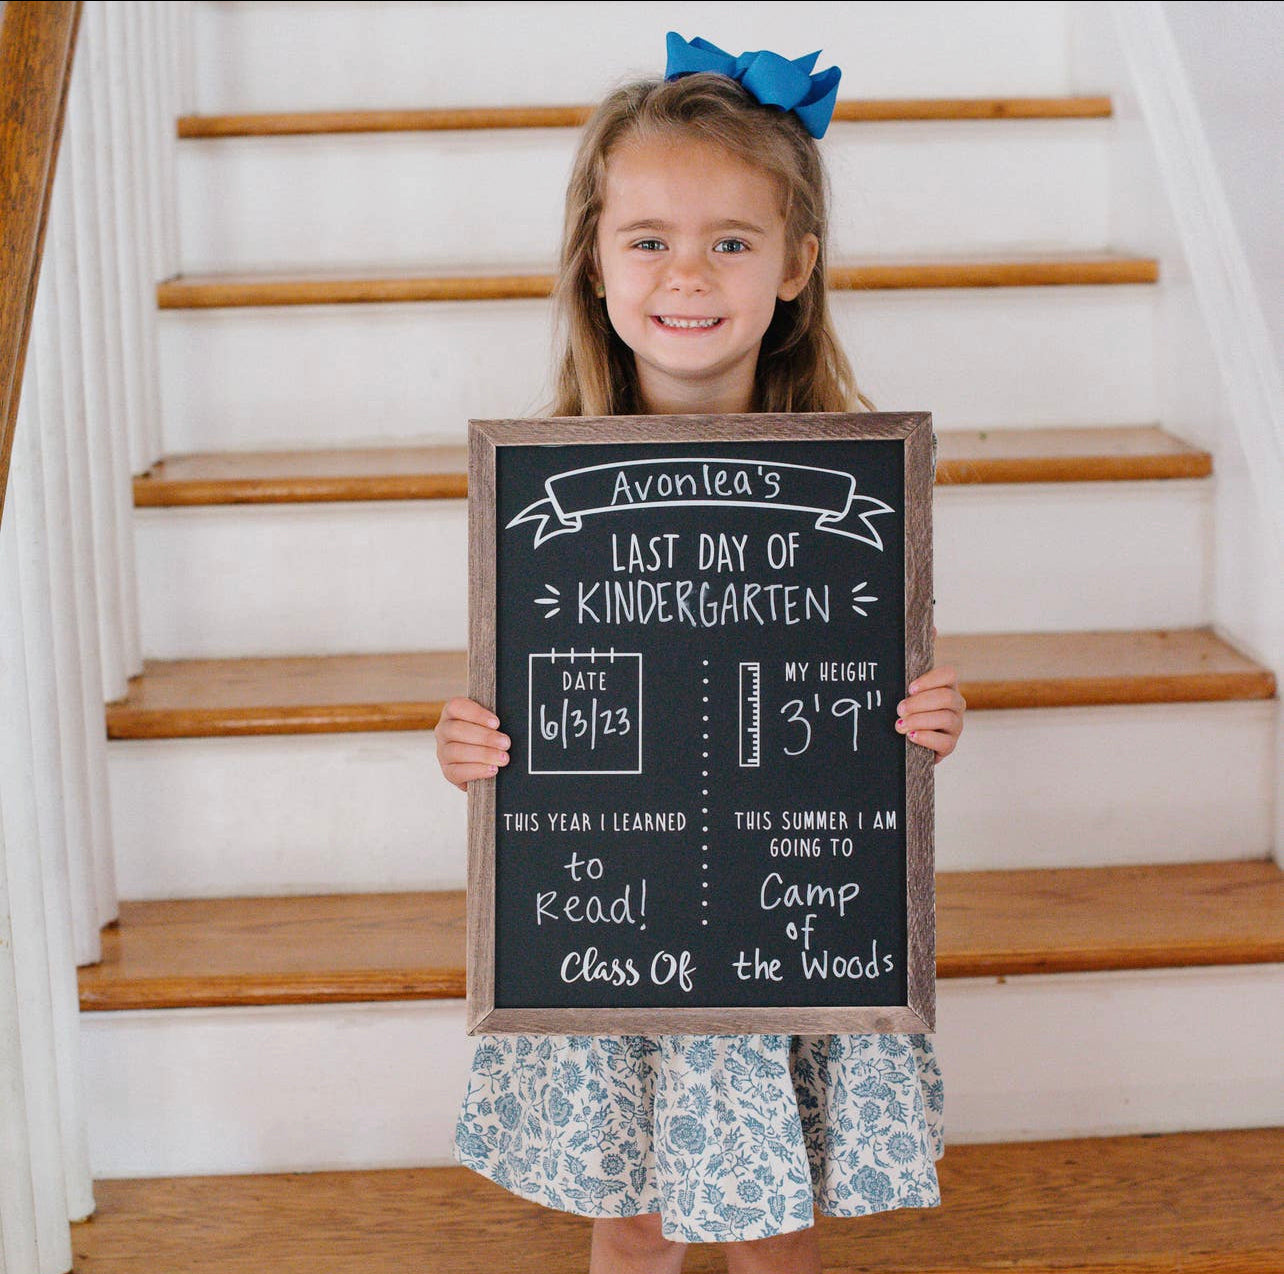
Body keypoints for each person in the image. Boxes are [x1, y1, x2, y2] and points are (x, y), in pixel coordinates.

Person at [436, 33, 967, 1274]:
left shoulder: (855, 477)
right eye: (650, 239)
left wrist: (931, 716)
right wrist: (467, 743)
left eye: (732, 239)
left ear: (796, 266)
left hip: (792, 922)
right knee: (631, 1214)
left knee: (779, 1213)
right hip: (606, 917)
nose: (690, 271)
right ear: (596, 262)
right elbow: (515, 696)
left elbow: (882, 683)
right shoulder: (538, 484)